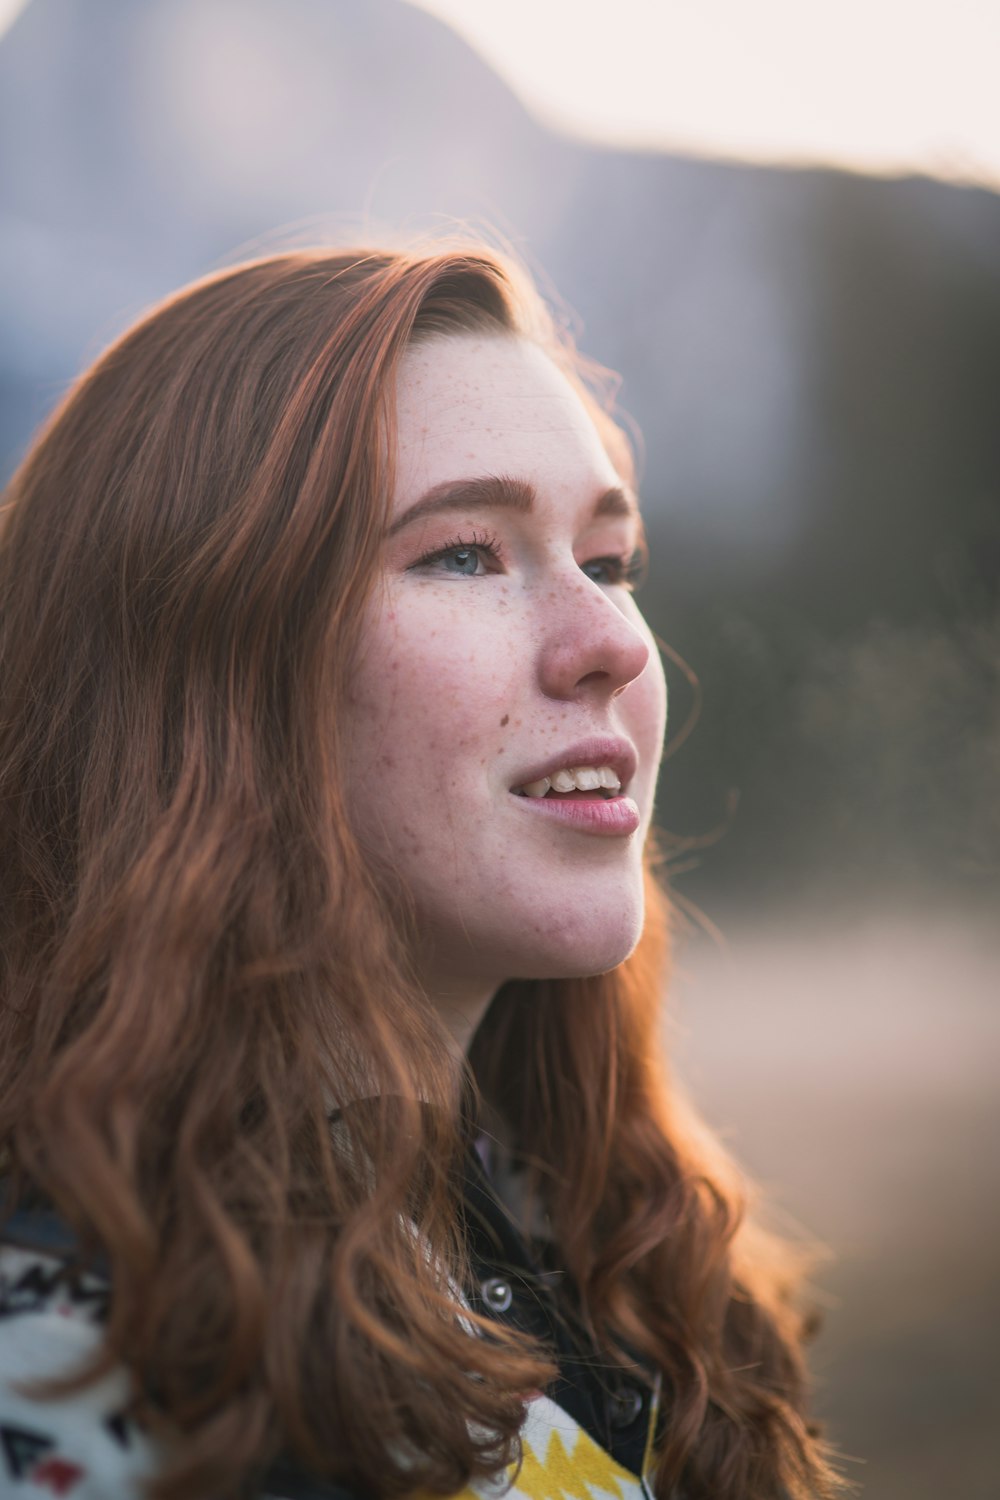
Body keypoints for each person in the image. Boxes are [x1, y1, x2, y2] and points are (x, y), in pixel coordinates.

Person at [0, 242, 845, 1500]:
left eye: (610, 563)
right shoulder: (64, 1366)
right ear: (202, 680)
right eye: (464, 554)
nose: (611, 639)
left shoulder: (619, 1257)